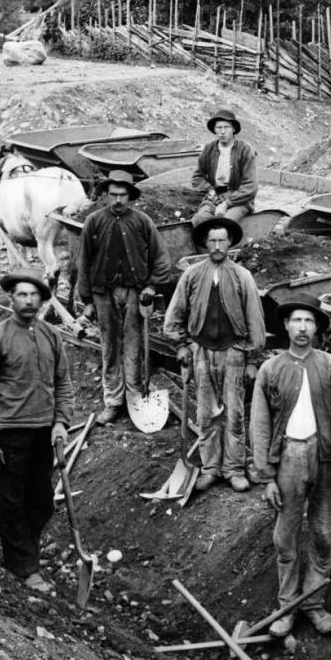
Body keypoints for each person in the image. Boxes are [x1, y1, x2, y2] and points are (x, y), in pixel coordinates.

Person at [250, 295, 331, 638]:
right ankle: (287, 606)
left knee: (322, 533)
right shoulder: (270, 370)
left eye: (309, 322)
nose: (302, 328)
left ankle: (313, 604)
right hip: (287, 458)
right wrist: (266, 476)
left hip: (326, 460)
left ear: (317, 328)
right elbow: (259, 424)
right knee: (285, 537)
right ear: (286, 326)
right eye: (296, 321)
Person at [0, 270, 74, 594]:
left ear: (42, 301)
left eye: (34, 296)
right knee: (12, 503)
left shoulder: (51, 336)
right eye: (22, 295)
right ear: (11, 298)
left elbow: (63, 384)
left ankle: (23, 552)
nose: (28, 301)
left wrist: (61, 421)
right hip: (8, 434)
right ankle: (25, 568)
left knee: (41, 502)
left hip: (43, 431)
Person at [163, 216, 268, 492]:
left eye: (222, 240)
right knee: (206, 412)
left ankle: (233, 468)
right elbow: (175, 314)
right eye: (212, 240)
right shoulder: (192, 275)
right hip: (201, 351)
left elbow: (255, 320)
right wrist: (182, 345)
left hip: (234, 352)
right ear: (205, 243)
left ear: (230, 242)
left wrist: (253, 360)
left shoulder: (242, 276)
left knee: (234, 413)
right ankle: (210, 468)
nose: (218, 245)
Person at [72, 169, 171, 425]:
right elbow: (83, 262)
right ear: (105, 195)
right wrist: (87, 302)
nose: (117, 200)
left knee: (134, 345)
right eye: (113, 194)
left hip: (134, 293)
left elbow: (161, 258)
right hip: (103, 294)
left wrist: (151, 287)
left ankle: (135, 398)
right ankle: (114, 401)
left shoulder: (142, 222)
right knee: (110, 347)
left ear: (130, 196)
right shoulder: (94, 221)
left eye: (122, 195)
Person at [191, 108, 258, 227]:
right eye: (219, 128)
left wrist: (227, 203)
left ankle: (225, 244)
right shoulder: (209, 149)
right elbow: (197, 177)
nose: (222, 132)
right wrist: (210, 190)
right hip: (215, 196)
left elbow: (251, 186)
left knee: (225, 224)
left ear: (233, 129)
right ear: (214, 130)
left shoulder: (244, 150)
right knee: (199, 221)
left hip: (239, 200)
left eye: (226, 127)